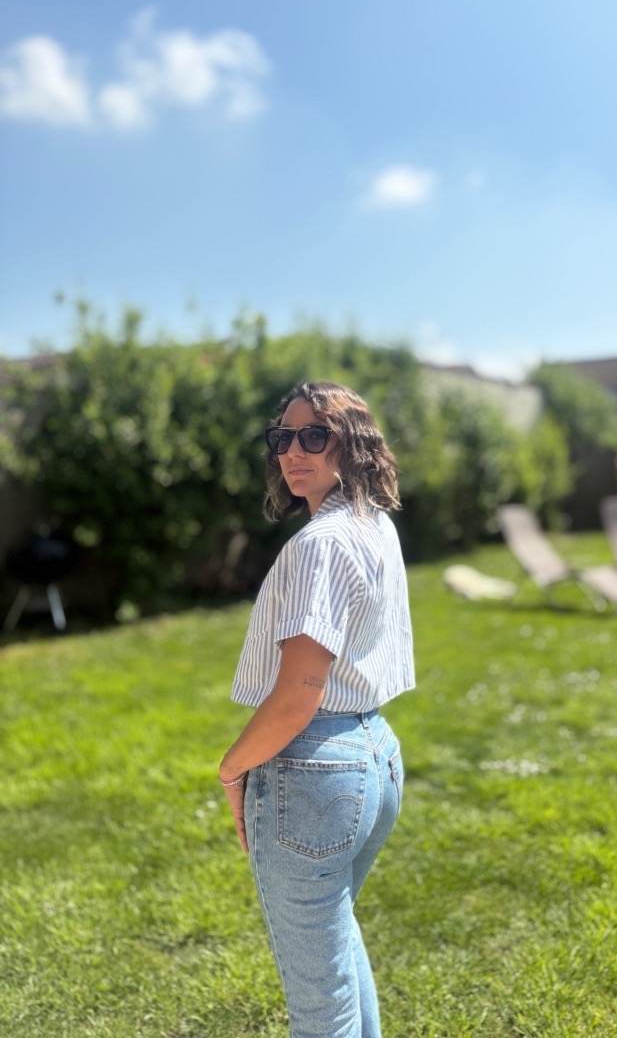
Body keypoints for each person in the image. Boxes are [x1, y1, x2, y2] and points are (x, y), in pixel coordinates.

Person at [219, 380, 415, 1038]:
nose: (292, 452)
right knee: (336, 951)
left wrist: (232, 769)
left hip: (314, 774)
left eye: (313, 435)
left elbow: (298, 695)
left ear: (351, 444)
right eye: (283, 437)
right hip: (375, 755)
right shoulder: (374, 525)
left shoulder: (320, 545)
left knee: (319, 1005)